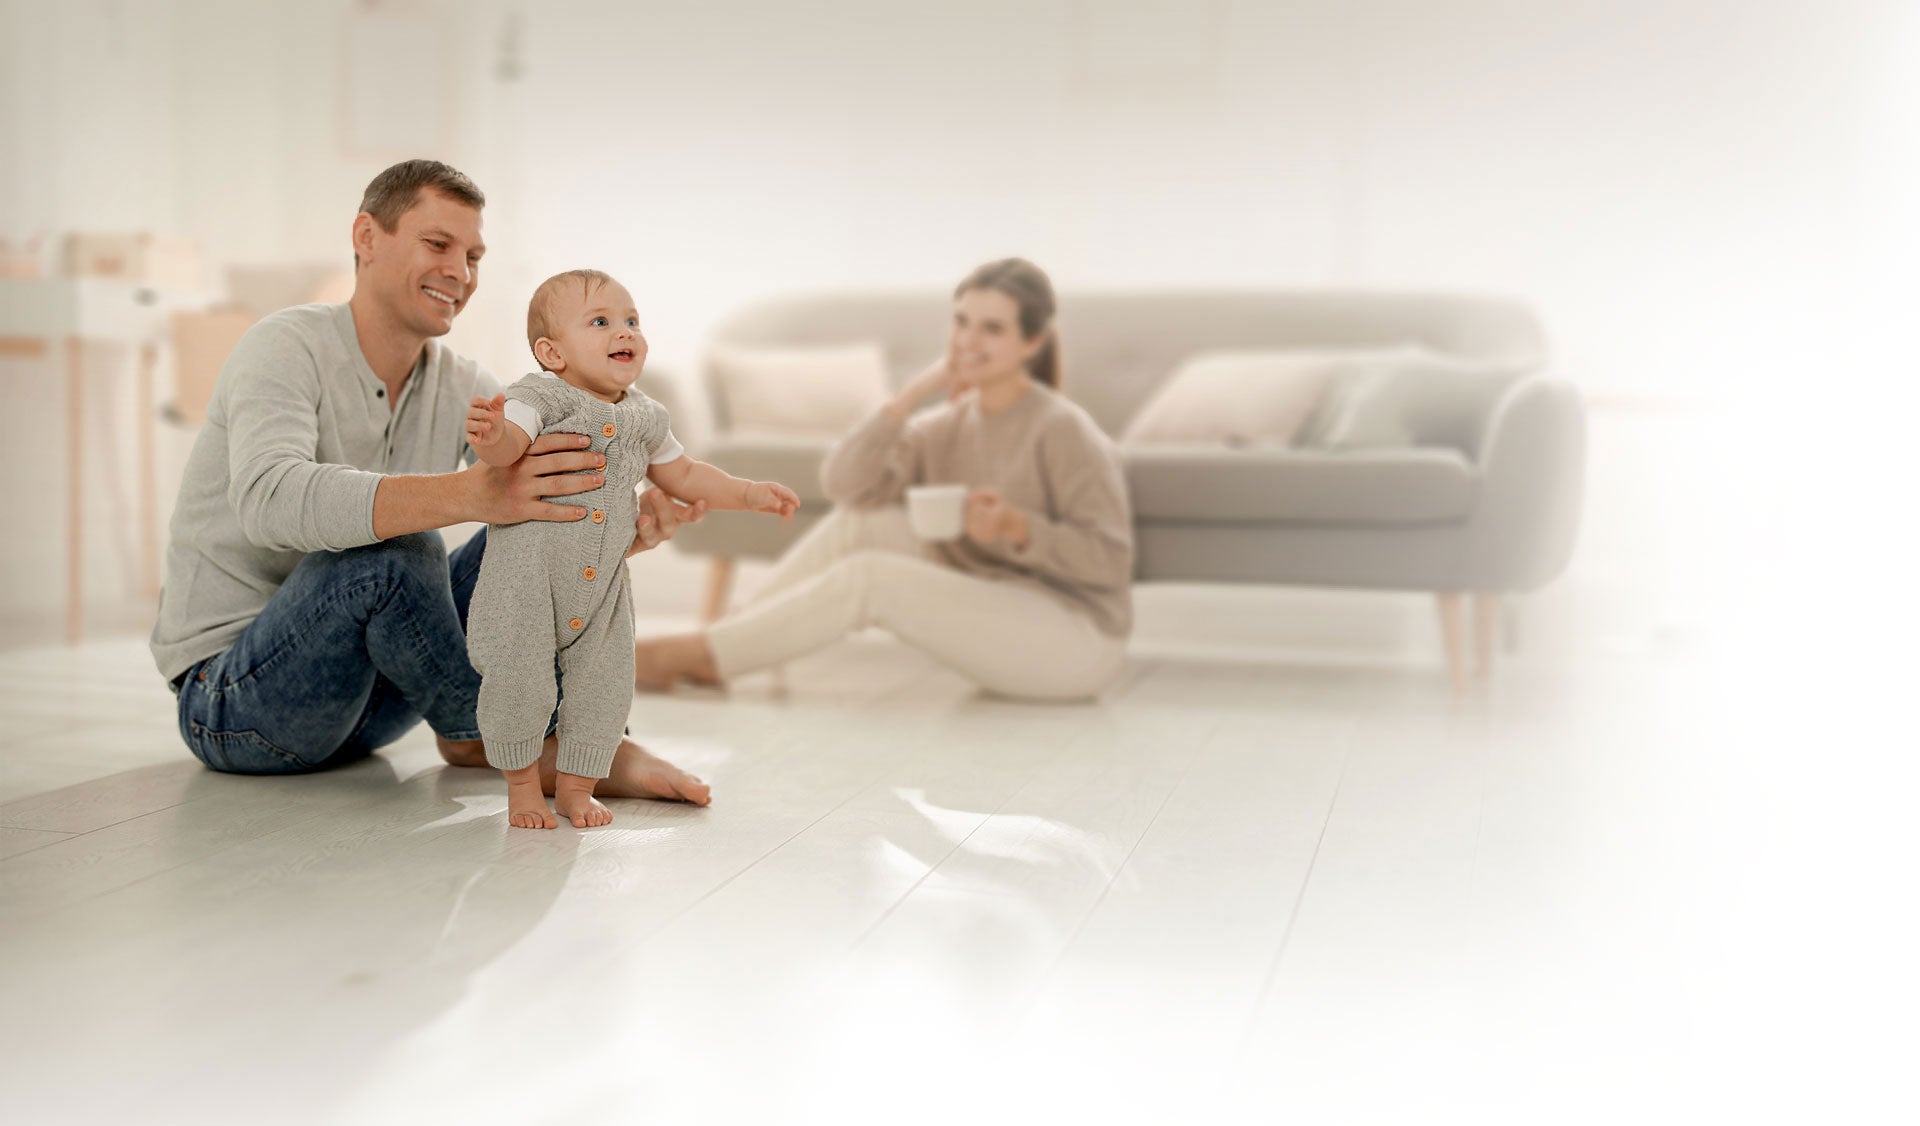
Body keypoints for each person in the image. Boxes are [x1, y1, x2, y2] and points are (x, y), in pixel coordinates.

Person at [150, 159, 713, 805]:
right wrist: (468, 495)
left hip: (371, 709)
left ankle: (544, 736)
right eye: (438, 245)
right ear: (366, 237)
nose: (461, 273)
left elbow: (543, 493)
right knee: (398, 549)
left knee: (520, 532)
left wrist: (614, 525)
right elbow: (268, 501)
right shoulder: (283, 346)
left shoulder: (461, 385)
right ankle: (493, 737)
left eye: (473, 255)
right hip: (234, 704)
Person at [632, 258, 1134, 702]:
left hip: (1076, 641)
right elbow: (845, 485)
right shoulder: (947, 425)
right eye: (962, 322)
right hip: (998, 601)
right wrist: (909, 397)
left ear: (1033, 342)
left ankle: (699, 654)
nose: (968, 340)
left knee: (871, 577)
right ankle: (722, 642)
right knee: (864, 522)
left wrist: (1015, 528)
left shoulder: (1062, 429)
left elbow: (1111, 562)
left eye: (992, 328)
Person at [465, 269, 798, 829]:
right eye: (601, 322)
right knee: (519, 683)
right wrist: (492, 435)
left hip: (604, 588)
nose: (625, 332)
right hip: (526, 581)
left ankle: (576, 790)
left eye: (632, 320)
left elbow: (685, 474)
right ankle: (523, 790)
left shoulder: (645, 415)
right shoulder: (537, 396)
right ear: (553, 352)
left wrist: (747, 492)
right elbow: (506, 451)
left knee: (606, 688)